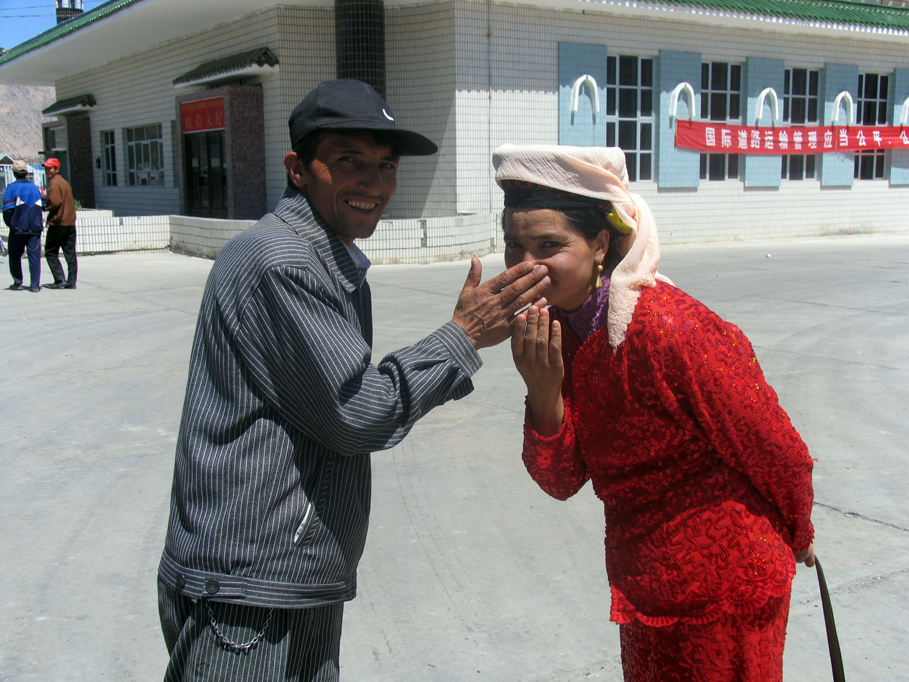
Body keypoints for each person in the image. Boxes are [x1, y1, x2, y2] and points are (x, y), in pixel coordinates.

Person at [157, 80, 550, 682]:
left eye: (385, 166)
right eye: (349, 161)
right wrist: (462, 337)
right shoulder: (282, 262)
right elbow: (355, 413)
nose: (374, 183)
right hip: (250, 592)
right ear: (297, 169)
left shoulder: (325, 258)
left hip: (284, 576)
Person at [495, 144, 815, 682]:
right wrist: (544, 392)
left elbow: (776, 449)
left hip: (727, 590)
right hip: (644, 588)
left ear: (600, 245)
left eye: (549, 245)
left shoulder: (669, 328)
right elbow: (561, 480)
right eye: (514, 246)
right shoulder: (559, 331)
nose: (527, 265)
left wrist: (799, 531)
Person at [2, 159, 44, 292]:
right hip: (35, 227)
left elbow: (7, 210)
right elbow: (41, 206)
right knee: (34, 256)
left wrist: (11, 224)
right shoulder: (35, 188)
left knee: (14, 255)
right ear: (26, 172)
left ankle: (18, 281)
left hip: (18, 228)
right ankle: (35, 285)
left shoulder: (11, 188)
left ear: (14, 173)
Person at [42, 157, 78, 289]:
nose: (48, 170)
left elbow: (55, 202)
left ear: (57, 169)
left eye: (50, 168)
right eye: (46, 168)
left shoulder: (54, 182)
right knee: (70, 253)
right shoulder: (65, 182)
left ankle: (59, 279)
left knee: (50, 251)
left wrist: (45, 207)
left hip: (58, 223)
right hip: (70, 223)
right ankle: (71, 281)